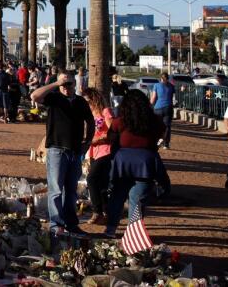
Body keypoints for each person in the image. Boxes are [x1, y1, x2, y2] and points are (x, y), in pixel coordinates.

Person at [31, 72, 94, 237]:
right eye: (63, 85)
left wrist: (87, 143)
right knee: (56, 190)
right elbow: (34, 95)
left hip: (75, 151)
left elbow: (91, 121)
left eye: (69, 84)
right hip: (56, 150)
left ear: (74, 84)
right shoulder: (53, 98)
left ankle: (71, 224)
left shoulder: (80, 102)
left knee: (71, 190)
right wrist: (55, 83)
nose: (66, 87)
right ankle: (56, 225)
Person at [102, 90, 164, 237]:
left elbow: (111, 139)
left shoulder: (120, 121)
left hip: (122, 164)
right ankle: (133, 233)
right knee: (138, 200)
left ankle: (111, 229)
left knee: (117, 196)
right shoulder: (155, 121)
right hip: (145, 164)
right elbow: (160, 135)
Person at [81, 88, 115, 227]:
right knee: (101, 184)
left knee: (91, 179)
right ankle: (106, 213)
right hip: (93, 151)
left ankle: (97, 212)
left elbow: (113, 131)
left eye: (88, 101)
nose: (87, 104)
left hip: (106, 150)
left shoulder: (105, 111)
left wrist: (99, 139)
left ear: (94, 99)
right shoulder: (89, 114)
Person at [148, 73, 174, 148]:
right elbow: (172, 98)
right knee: (167, 126)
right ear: (168, 78)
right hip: (168, 107)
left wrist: (149, 105)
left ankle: (157, 140)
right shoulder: (171, 86)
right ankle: (166, 144)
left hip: (158, 108)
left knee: (157, 125)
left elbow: (153, 98)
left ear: (161, 78)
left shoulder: (156, 85)